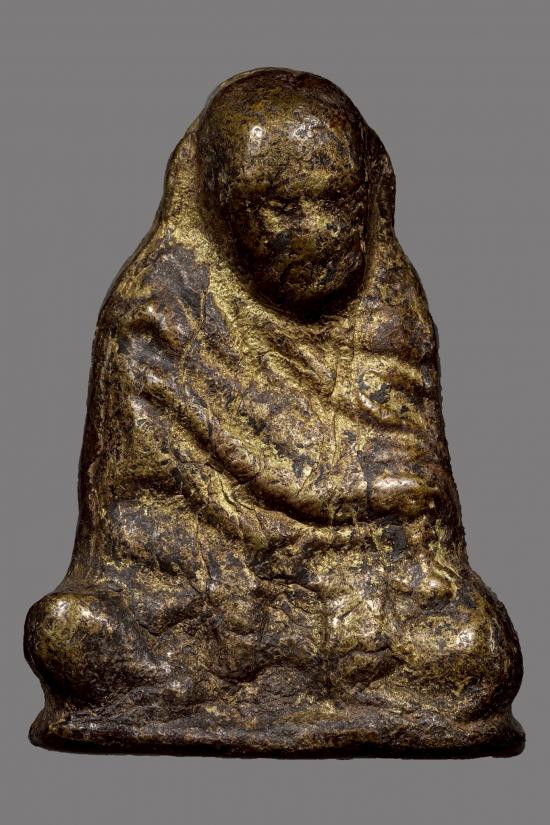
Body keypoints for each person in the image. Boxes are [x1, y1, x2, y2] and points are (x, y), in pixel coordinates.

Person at [25, 68, 523, 755]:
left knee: (474, 647)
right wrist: (233, 588)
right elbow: (132, 524)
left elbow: (417, 522)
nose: (315, 231)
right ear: (220, 208)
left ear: (370, 192)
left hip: (357, 602)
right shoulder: (157, 317)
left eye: (335, 200)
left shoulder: (390, 315)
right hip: (202, 609)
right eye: (279, 206)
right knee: (67, 632)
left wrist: (343, 573)